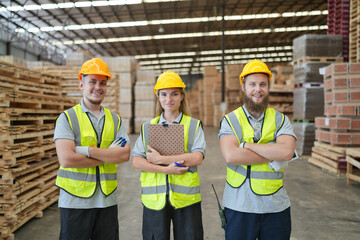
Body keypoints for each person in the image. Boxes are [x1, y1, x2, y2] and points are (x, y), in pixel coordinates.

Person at [218, 59, 296, 240]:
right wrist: (272, 151)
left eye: (263, 84)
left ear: (269, 87)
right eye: (252, 84)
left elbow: (286, 153)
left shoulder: (281, 120)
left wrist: (247, 146)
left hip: (275, 207)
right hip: (239, 206)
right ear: (243, 87)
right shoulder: (230, 120)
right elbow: (231, 155)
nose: (257, 89)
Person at [54, 58, 130, 240]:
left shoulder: (115, 120)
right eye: (93, 82)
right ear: (81, 84)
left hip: (107, 200)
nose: (98, 87)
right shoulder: (67, 118)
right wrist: (109, 154)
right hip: (74, 201)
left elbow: (124, 154)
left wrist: (85, 150)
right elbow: (66, 159)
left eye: (103, 83)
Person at [132, 71, 206, 240]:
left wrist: (161, 160)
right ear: (158, 97)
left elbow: (197, 158)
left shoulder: (193, 125)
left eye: (174, 94)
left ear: (181, 96)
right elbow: (136, 161)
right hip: (155, 199)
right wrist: (166, 170)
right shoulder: (148, 127)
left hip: (186, 200)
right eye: (164, 94)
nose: (169, 99)